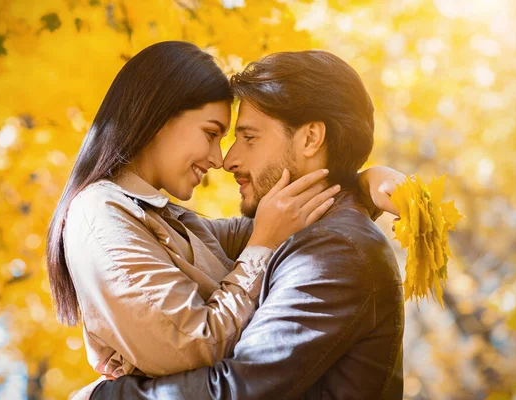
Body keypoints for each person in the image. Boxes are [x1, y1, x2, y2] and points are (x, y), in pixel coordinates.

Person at [46, 42, 398, 383]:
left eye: (245, 138)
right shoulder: (101, 214)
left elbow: (283, 220)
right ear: (158, 117)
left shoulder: (168, 220)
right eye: (211, 133)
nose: (221, 159)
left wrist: (360, 184)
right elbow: (195, 345)